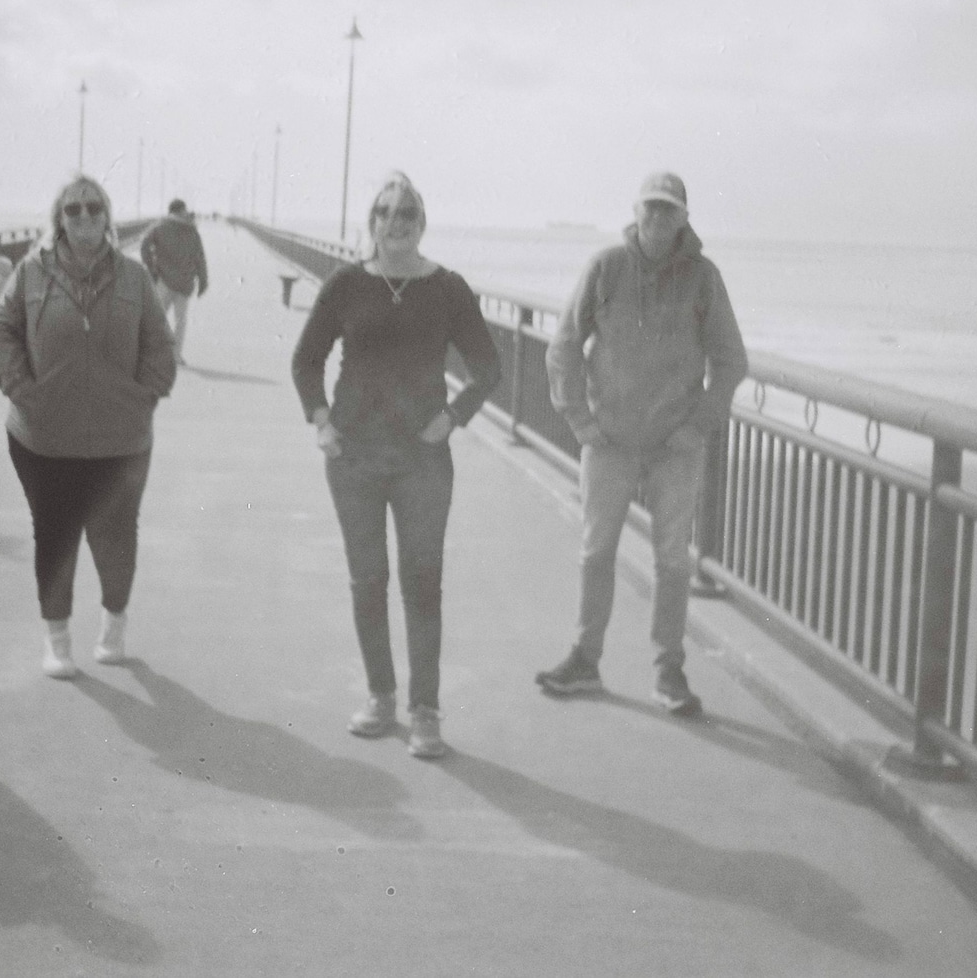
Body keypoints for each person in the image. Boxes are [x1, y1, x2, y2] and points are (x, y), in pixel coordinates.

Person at [291, 173, 500, 759]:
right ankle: (381, 697)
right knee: (368, 580)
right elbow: (305, 361)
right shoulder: (346, 285)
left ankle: (425, 710)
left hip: (422, 460)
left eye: (407, 212)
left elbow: (488, 366)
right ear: (372, 222)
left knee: (422, 584)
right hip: (354, 456)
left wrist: (455, 415)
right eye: (385, 212)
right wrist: (322, 421)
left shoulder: (448, 289)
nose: (396, 221)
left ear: (421, 222)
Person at [535, 171, 747, 716]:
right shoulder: (605, 268)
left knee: (672, 560)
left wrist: (698, 425)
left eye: (669, 210)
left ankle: (668, 670)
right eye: (650, 209)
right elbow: (562, 346)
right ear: (635, 212)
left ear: (684, 218)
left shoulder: (704, 278)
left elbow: (730, 361)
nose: (658, 219)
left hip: (676, 447)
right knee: (596, 550)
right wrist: (579, 419)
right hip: (608, 442)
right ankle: (585, 658)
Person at [0, 175, 178, 678]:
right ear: (59, 220)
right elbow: (2, 328)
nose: (85, 217)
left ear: (108, 218)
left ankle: (114, 622)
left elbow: (160, 343)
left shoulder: (134, 277)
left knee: (115, 535)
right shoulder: (31, 273)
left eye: (94, 208)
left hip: (122, 438)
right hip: (43, 435)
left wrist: (145, 397)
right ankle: (57, 638)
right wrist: (21, 388)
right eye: (73, 210)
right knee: (55, 534)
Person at [139, 198, 209, 364]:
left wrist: (152, 268)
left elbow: (144, 245)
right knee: (181, 321)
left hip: (164, 280)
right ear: (183, 210)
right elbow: (200, 257)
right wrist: (203, 280)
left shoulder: (159, 227)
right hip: (185, 283)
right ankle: (176, 355)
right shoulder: (192, 229)